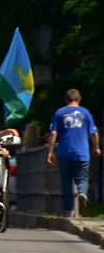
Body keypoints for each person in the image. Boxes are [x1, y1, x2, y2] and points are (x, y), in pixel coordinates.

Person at [46, 88, 100, 217]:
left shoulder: (59, 113)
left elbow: (53, 133)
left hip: (64, 152)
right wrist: (96, 147)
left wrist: (50, 152)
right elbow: (93, 133)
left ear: (66, 100)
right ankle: (82, 193)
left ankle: (68, 211)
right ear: (79, 100)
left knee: (66, 181)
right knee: (82, 178)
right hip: (82, 152)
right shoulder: (85, 113)